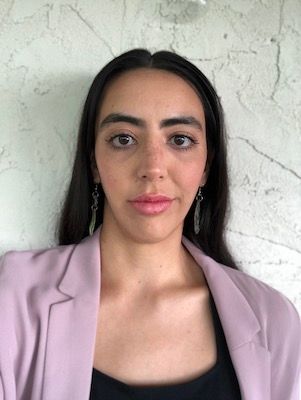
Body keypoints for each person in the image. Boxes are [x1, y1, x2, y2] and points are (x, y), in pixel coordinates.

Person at [0, 49, 300, 400]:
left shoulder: (273, 320)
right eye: (123, 139)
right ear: (94, 162)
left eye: (180, 139)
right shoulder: (14, 297)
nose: (153, 167)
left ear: (206, 167)